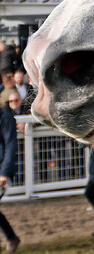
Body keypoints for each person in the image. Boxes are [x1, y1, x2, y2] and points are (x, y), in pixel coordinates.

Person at [0, 100, 19, 252]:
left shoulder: (5, 118)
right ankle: (12, 238)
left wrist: (5, 173)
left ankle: (12, 238)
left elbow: (11, 144)